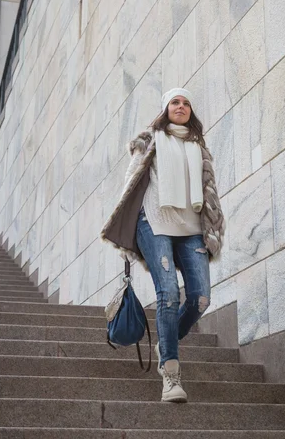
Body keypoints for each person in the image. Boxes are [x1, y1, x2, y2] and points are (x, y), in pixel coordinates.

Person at [101, 88, 225, 403]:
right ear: (165, 109)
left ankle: (166, 341)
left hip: (191, 226)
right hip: (154, 222)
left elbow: (208, 191)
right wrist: (126, 229)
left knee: (200, 298)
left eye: (186, 102)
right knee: (168, 294)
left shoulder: (199, 147)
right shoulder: (149, 140)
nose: (181, 106)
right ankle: (170, 376)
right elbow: (130, 185)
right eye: (175, 102)